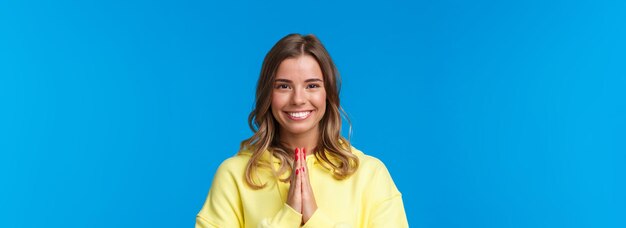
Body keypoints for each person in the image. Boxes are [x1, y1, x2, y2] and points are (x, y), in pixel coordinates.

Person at [196, 33, 408, 227]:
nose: (298, 99)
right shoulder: (233, 175)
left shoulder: (370, 175)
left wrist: (314, 219)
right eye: (283, 86)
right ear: (267, 94)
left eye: (312, 85)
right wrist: (287, 217)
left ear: (329, 93)